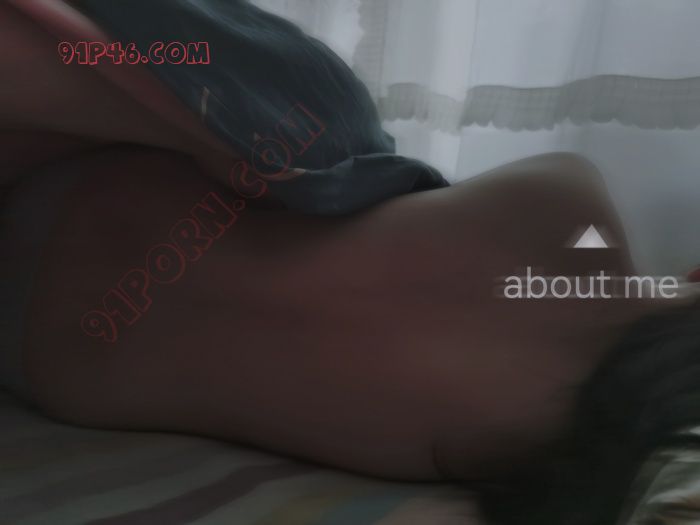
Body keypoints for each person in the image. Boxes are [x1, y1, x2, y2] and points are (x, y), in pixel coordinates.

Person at [2, 2, 699, 525]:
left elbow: (391, 196)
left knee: (333, 113)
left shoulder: (575, 203)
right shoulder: (536, 461)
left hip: (96, 200)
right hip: (55, 361)